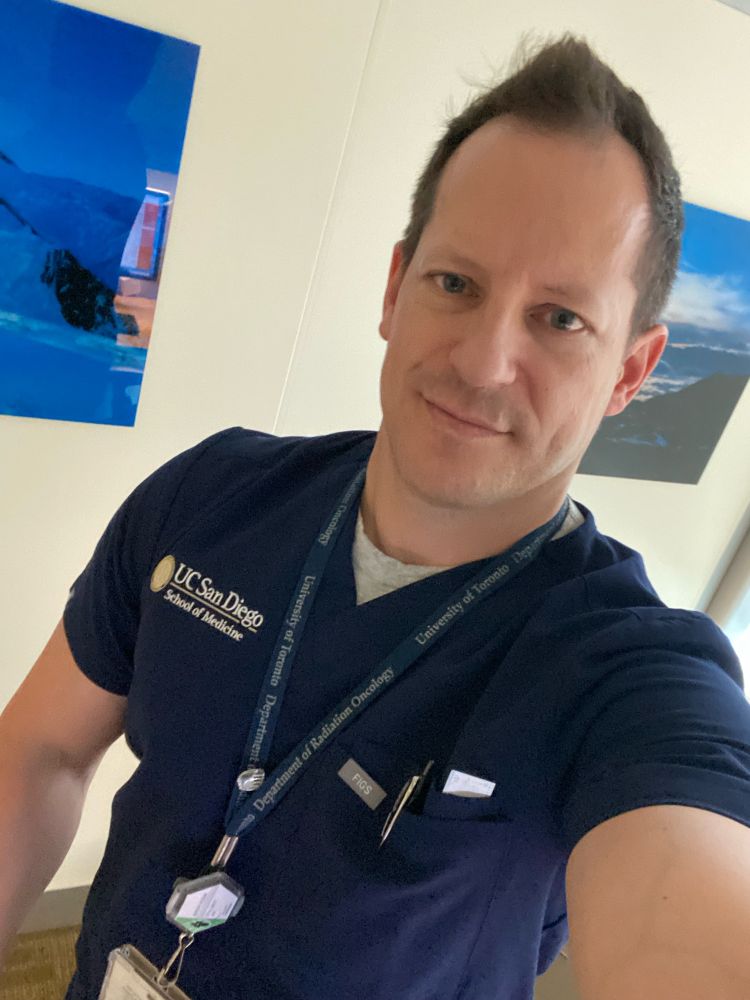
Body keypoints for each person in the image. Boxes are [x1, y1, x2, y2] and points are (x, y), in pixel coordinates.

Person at [1, 34, 749, 1000]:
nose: (483, 362)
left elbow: (690, 911)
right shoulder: (209, 497)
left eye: (561, 319)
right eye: (457, 284)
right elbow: (42, 749)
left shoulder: (628, 671)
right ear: (396, 290)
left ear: (630, 373)